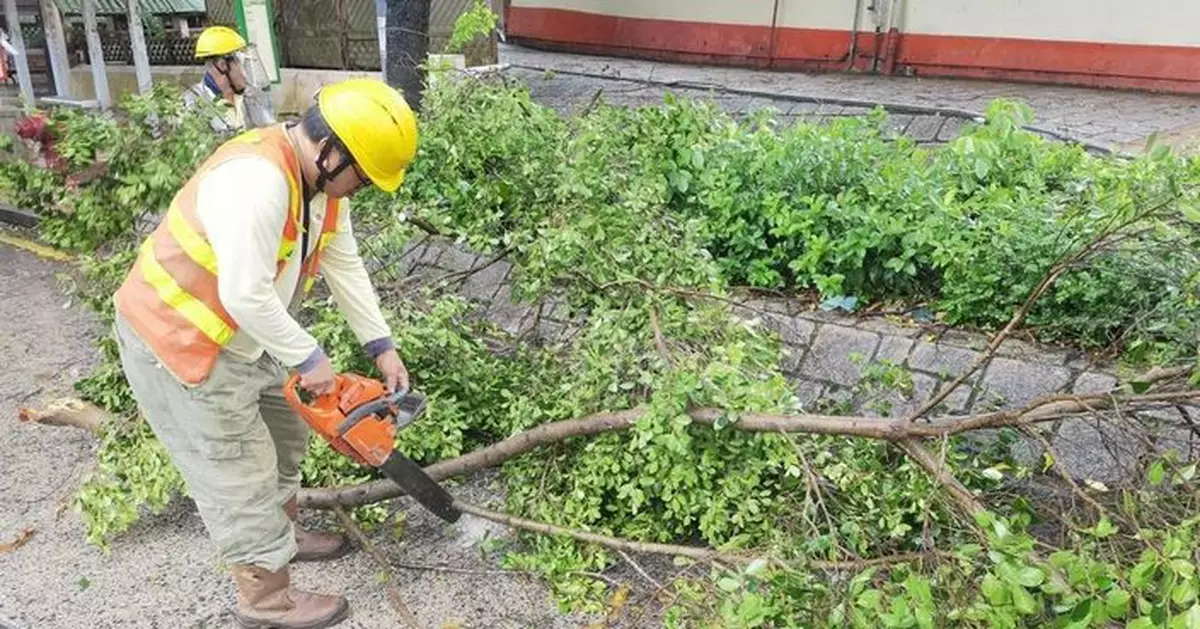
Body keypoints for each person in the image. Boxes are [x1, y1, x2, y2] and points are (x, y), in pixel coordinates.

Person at [111, 77, 418, 629]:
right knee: (240, 470)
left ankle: (283, 535)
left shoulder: (320, 189)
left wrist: (382, 347)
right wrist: (309, 358)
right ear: (331, 152)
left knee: (286, 433)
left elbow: (345, 265)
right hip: (183, 339)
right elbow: (244, 292)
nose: (364, 188)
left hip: (248, 334)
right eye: (364, 177)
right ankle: (266, 600)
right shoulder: (257, 181)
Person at [184, 25, 275, 133]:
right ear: (223, 65)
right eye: (242, 66)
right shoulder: (194, 105)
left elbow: (269, 129)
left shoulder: (247, 96)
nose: (245, 76)